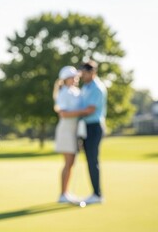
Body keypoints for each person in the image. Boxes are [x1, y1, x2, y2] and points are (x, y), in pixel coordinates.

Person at [59, 60, 107, 205]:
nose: (82, 76)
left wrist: (71, 114)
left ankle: (97, 194)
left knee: (93, 160)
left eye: (85, 74)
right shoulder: (86, 87)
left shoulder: (96, 88)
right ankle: (94, 193)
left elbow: (90, 110)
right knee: (90, 160)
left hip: (94, 126)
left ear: (92, 73)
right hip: (85, 127)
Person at [53, 66, 82, 204]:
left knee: (71, 162)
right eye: (73, 76)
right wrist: (85, 112)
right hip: (66, 130)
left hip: (74, 130)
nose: (76, 78)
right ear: (66, 79)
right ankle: (63, 194)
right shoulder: (64, 93)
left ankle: (66, 192)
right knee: (68, 162)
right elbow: (63, 113)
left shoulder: (75, 91)